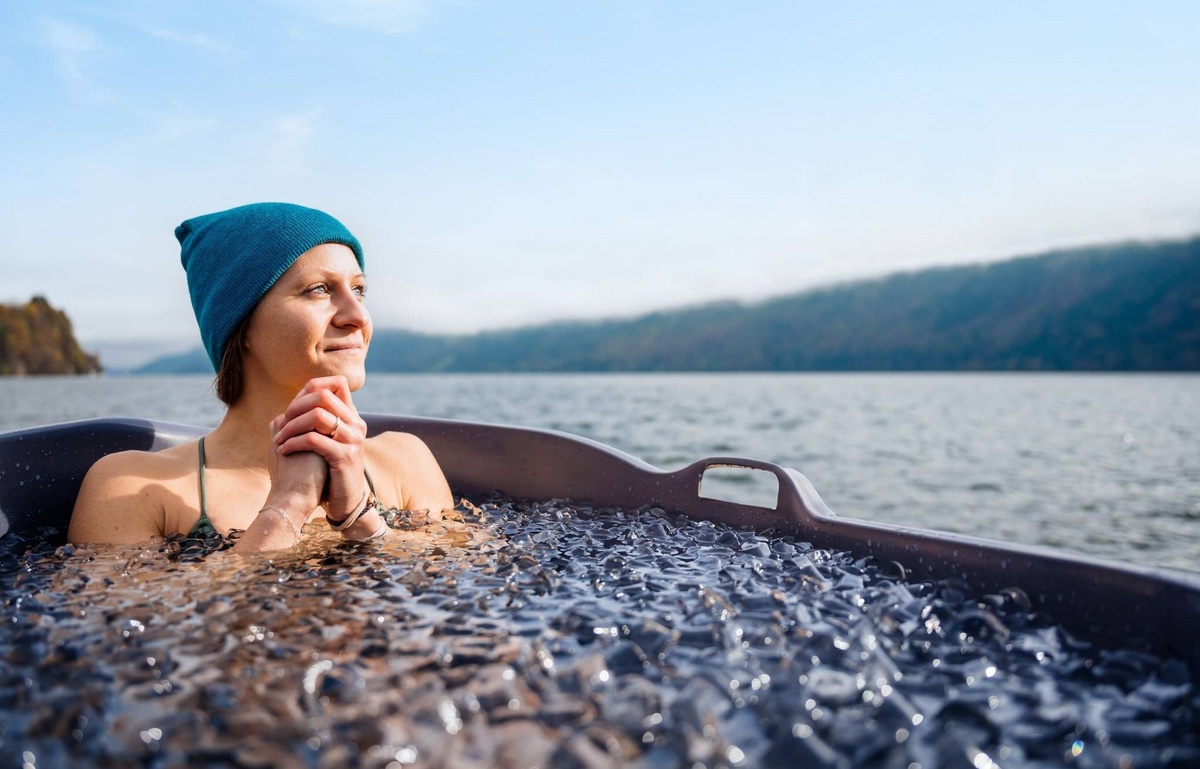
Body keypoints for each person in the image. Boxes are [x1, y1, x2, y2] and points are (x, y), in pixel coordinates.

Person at [68, 202, 454, 552]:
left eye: (359, 289)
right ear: (243, 325)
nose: (357, 315)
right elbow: (128, 624)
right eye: (319, 290)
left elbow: (456, 600)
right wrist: (287, 505)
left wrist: (359, 516)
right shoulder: (130, 487)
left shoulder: (405, 462)